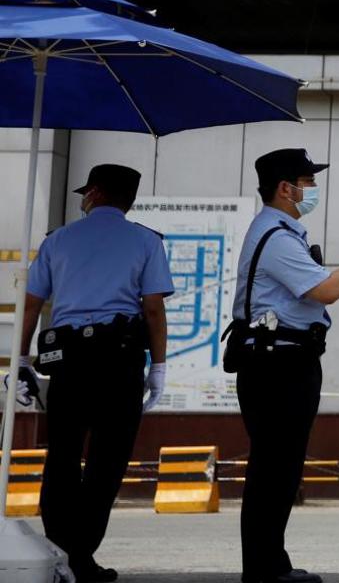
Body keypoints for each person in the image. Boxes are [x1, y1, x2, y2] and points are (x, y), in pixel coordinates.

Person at [233, 148, 339, 583]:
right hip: (277, 365)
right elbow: (324, 291)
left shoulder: (280, 232)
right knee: (274, 468)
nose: (313, 189)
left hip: (286, 360)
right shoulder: (276, 236)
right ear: (285, 188)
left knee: (280, 467)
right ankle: (264, 569)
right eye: (307, 181)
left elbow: (317, 291)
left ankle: (270, 563)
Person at [15, 163, 173, 583]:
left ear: (97, 193)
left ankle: (58, 551)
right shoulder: (146, 241)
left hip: (67, 362)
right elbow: (153, 308)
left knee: (63, 456)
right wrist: (158, 366)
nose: (83, 199)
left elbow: (31, 304)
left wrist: (20, 360)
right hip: (119, 362)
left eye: (86, 192)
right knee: (107, 461)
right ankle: (81, 555)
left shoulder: (59, 240)